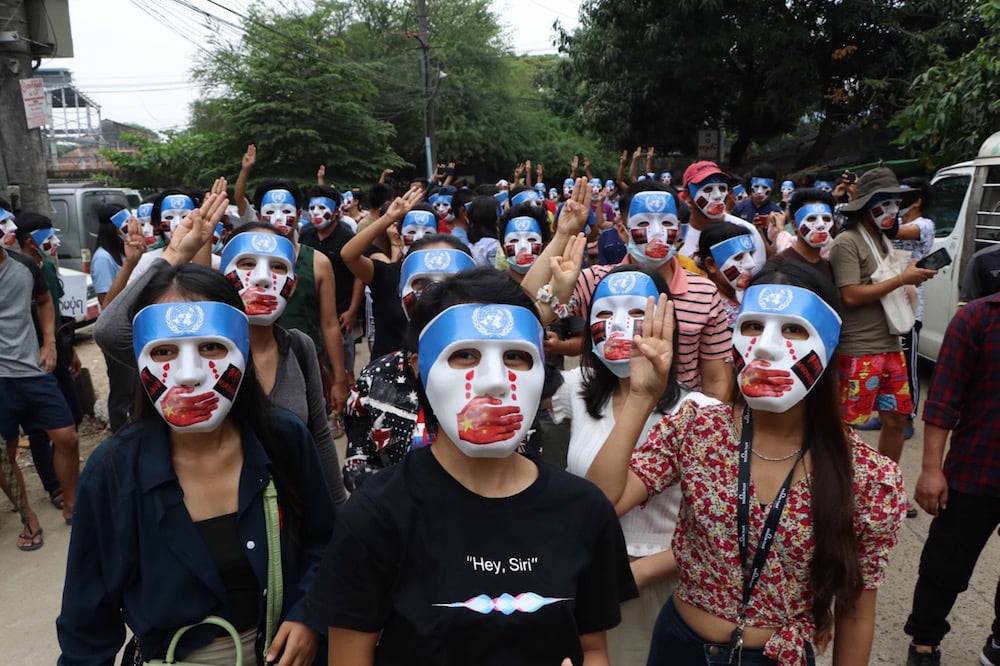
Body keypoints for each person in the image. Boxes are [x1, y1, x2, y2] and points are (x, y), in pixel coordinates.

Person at [307, 268, 637, 664]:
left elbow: (592, 649)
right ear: (418, 367)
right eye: (464, 355)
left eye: (516, 356)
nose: (493, 382)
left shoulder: (584, 510)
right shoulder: (376, 516)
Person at [585, 261, 906, 665]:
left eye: (793, 330)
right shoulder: (697, 429)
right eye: (753, 326)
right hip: (679, 647)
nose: (766, 347)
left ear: (828, 345)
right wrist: (640, 398)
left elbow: (856, 610)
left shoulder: (869, 477)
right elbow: (600, 504)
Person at [61, 194, 335, 665]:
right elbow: (88, 623)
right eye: (165, 353)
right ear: (140, 358)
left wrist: (309, 612)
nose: (188, 375)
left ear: (242, 351)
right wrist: (171, 256)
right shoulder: (113, 472)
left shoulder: (285, 439)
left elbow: (324, 541)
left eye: (210, 348)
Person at [552, 264, 719, 666]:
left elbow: (715, 531)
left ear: (667, 323)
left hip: (662, 584)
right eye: (605, 315)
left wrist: (639, 574)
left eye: (638, 314)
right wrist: (553, 297)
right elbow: (512, 352)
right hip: (587, 574)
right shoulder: (575, 389)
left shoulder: (701, 414)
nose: (620, 327)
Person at [902, 289, 1000, 666]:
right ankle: (925, 639)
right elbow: (944, 396)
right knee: (946, 563)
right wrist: (930, 468)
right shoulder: (978, 318)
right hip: (976, 468)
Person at [828, 167, 935, 509]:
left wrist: (908, 280)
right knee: (850, 425)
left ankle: (884, 489)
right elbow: (851, 295)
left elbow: (884, 286)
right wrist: (902, 279)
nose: (892, 211)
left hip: (891, 344)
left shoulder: (881, 238)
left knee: (897, 418)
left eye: (895, 204)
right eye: (884, 204)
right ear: (865, 206)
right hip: (859, 348)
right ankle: (846, 492)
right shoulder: (847, 241)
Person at [0, 213, 80, 537]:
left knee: (67, 438)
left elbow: (45, 301)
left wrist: (49, 342)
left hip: (33, 371)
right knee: (4, 457)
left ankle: (72, 503)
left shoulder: (26, 266)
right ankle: (27, 517)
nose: (8, 231)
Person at [697, 221, 759, 326]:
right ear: (711, 264)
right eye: (738, 257)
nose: (751, 264)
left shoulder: (746, 295)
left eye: (751, 255)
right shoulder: (713, 311)